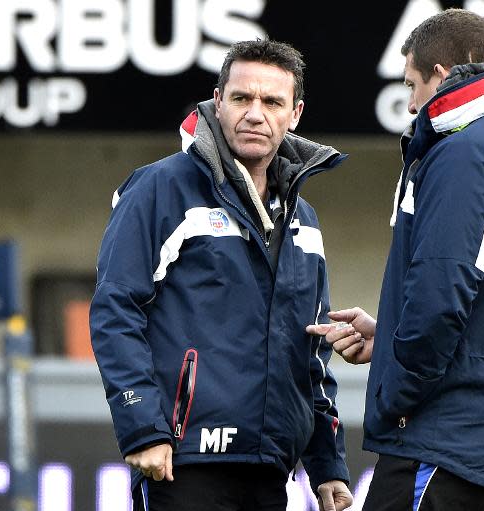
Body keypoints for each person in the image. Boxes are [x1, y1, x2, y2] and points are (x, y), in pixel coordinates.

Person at [308, 8, 484, 511]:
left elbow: (441, 293)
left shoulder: (465, 149)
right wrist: (390, 336)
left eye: (412, 83)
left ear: (440, 75)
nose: (411, 103)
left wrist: (395, 395)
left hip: (453, 443)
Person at [90, 38, 353, 511]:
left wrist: (327, 463)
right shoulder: (160, 188)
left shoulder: (303, 221)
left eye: (271, 102)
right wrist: (143, 427)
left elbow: (310, 350)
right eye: (241, 98)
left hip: (270, 468)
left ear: (294, 114)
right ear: (218, 102)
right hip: (181, 462)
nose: (255, 113)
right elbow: (115, 310)